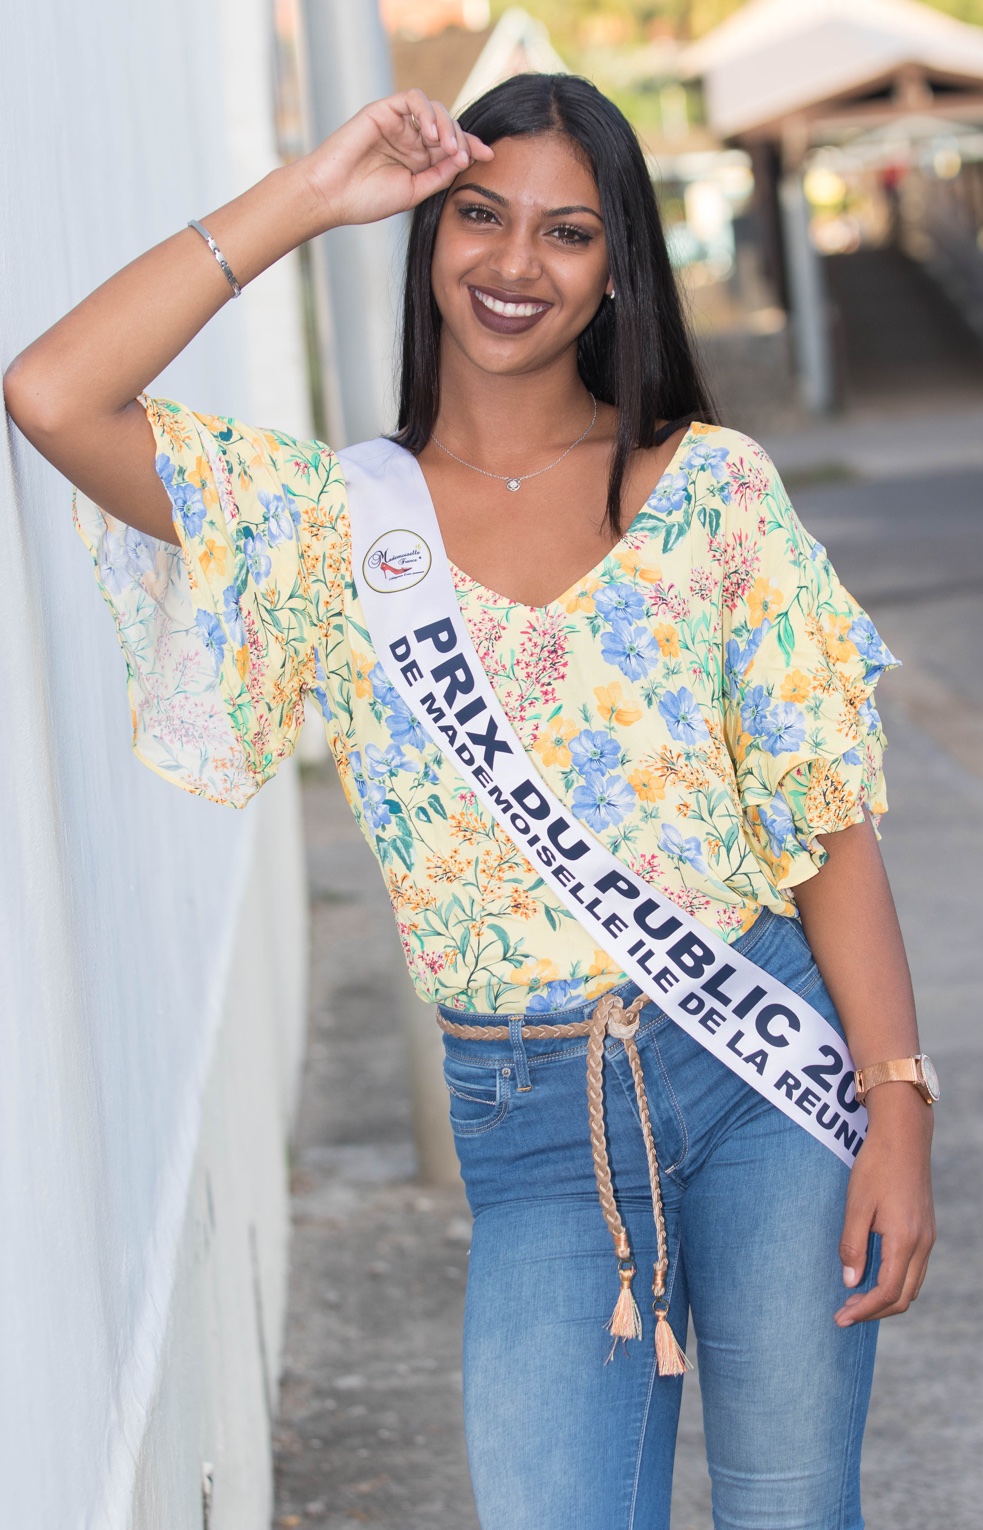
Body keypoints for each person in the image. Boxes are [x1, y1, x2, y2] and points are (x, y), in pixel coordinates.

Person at [4, 73, 935, 1530]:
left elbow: (827, 823)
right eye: (480, 218)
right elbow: (54, 392)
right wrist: (313, 193)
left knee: (793, 1509)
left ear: (619, 263)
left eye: (566, 233)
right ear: (427, 230)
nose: (514, 265)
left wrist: (898, 1102)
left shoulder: (711, 494)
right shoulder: (328, 528)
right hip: (535, 1124)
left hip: (763, 1077)